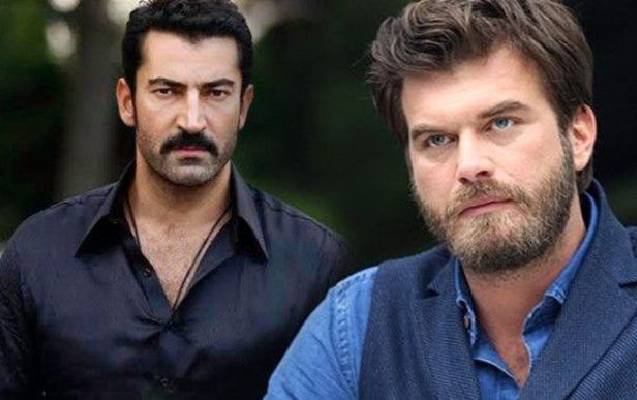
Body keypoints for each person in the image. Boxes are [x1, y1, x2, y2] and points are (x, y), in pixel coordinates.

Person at [266, 0, 637, 398]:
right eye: (437, 140)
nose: (470, 165)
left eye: (501, 123)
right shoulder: (356, 326)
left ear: (578, 136)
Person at [0, 0, 351, 398]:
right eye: (167, 91)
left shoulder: (315, 264)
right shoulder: (40, 254)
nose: (192, 121)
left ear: (243, 106)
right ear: (127, 102)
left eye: (216, 92)